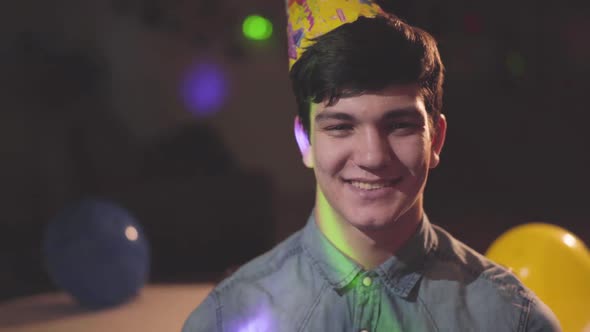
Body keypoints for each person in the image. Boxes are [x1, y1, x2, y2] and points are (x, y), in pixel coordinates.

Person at [183, 1, 561, 331]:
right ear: (305, 140)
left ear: (436, 139)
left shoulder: (513, 321)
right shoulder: (225, 317)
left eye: (399, 125)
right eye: (341, 126)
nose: (372, 156)